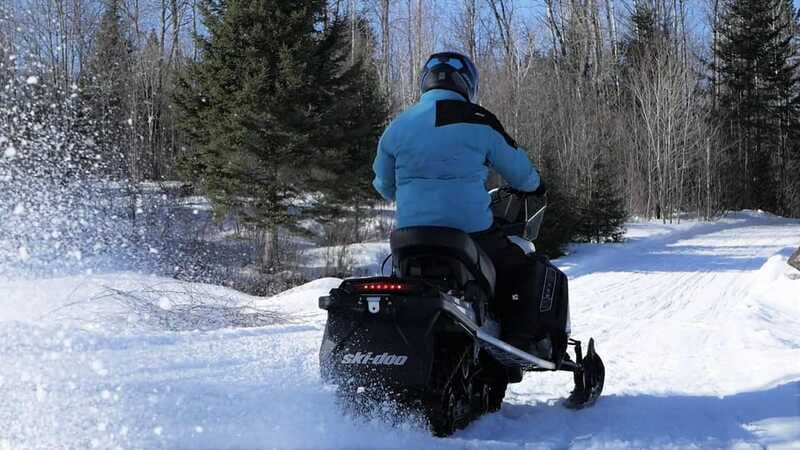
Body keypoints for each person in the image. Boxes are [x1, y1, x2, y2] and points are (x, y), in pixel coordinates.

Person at [371, 51, 547, 354]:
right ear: (467, 83)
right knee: (521, 268)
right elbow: (521, 174)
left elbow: (384, 186)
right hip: (470, 232)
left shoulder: (398, 125)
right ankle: (519, 341)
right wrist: (536, 185)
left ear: (425, 82)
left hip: (410, 236)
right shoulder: (479, 120)